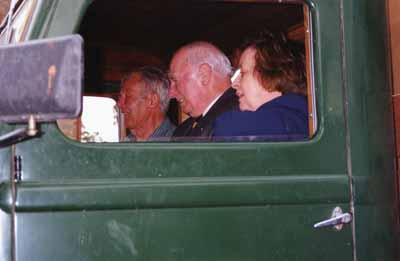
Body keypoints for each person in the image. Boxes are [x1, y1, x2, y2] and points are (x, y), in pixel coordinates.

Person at [213, 31, 309, 141]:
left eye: (243, 73)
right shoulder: (307, 121)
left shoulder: (237, 127)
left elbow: (228, 128)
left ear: (272, 74)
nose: (234, 84)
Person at [168, 41, 239, 140]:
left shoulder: (236, 121)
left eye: (175, 80)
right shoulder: (185, 129)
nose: (171, 93)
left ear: (203, 75)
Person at [117, 66, 176, 141]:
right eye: (120, 97)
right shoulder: (123, 145)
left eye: (128, 97)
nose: (119, 104)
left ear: (152, 100)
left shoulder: (178, 143)